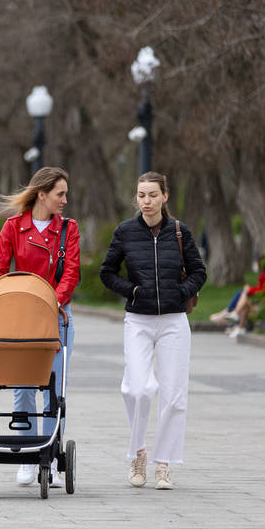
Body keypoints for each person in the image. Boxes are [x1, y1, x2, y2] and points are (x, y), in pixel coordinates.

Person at [100, 171, 206, 490]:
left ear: (165, 196)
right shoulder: (125, 232)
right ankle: (138, 452)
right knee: (137, 388)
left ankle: (163, 464)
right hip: (139, 320)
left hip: (174, 321)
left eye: (152, 195)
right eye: (141, 195)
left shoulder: (179, 231)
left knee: (173, 396)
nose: (146, 201)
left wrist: (180, 291)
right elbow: (107, 272)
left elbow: (200, 271)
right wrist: (132, 290)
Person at [0, 166, 80, 488]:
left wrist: (51, 303)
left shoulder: (68, 230)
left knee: (54, 389)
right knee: (22, 385)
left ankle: (50, 457)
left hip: (55, 315)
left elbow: (71, 272)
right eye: (60, 194)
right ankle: (26, 455)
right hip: (20, 315)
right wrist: (3, 303)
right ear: (42, 194)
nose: (65, 200)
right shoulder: (14, 227)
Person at [212, 264, 265, 337]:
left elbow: (264, 290)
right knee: (243, 298)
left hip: (264, 302)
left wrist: (249, 290)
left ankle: (232, 315)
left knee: (244, 294)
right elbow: (261, 289)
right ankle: (239, 327)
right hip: (260, 299)